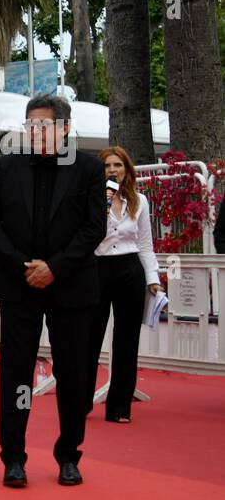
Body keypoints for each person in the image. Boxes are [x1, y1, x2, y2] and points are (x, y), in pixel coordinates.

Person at [0, 94, 106, 488]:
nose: (34, 131)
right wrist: (23, 265)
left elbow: (94, 227)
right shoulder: (6, 167)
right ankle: (13, 457)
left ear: (64, 127)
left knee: (73, 374)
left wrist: (54, 268)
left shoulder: (87, 168)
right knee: (17, 375)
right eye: (29, 124)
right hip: (21, 286)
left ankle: (69, 454)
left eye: (44, 125)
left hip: (71, 286)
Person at [85, 145, 160, 425]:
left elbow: (145, 244)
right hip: (98, 267)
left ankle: (119, 406)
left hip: (130, 269)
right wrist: (101, 207)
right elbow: (88, 238)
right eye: (107, 165)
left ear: (127, 170)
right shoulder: (91, 199)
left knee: (127, 339)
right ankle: (81, 401)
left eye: (118, 165)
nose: (113, 170)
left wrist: (153, 279)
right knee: (90, 336)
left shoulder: (139, 201)